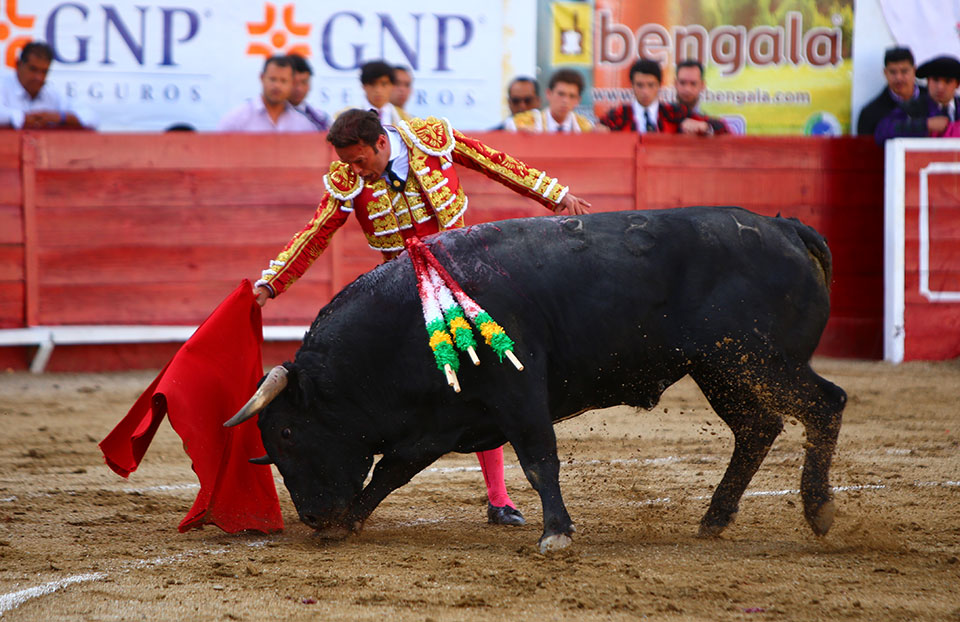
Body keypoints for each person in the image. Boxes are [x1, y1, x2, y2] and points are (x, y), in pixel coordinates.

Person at [252, 109, 591, 526]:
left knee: (482, 374)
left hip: (463, 281)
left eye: (361, 161)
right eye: (348, 164)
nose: (357, 171)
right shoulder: (348, 180)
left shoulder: (431, 139)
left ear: (380, 143)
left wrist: (554, 195)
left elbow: (495, 163)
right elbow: (315, 233)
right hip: (403, 300)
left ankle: (499, 499)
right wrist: (271, 283)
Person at [0, 41, 96, 130]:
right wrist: (23, 118)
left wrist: (61, 117)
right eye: (33, 69)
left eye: (44, 72)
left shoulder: (52, 93)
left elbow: (91, 117)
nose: (39, 77)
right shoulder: (3, 85)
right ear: (18, 65)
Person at [218, 55, 315, 132]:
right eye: (272, 79)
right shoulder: (237, 119)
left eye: (283, 81)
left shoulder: (303, 125)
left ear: (292, 83)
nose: (277, 85)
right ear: (262, 77)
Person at [875, 55, 960, 142]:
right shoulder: (913, 107)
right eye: (935, 80)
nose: (940, 87)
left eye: (947, 81)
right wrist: (926, 125)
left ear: (957, 84)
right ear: (928, 81)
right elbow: (882, 131)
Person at [598, 58, 689, 134]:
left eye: (651, 85)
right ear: (632, 85)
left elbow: (700, 122)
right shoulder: (617, 115)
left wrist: (701, 125)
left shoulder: (675, 113)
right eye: (640, 85)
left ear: (659, 85)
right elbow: (598, 129)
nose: (645, 91)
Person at [857, 47, 923, 138]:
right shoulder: (870, 114)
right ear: (885, 73)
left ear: (914, 70)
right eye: (893, 72)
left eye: (904, 71)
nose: (898, 78)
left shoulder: (933, 101)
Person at [504, 68, 596, 133]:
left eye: (571, 96)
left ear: (578, 100)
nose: (565, 101)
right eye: (561, 94)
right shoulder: (521, 124)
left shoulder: (587, 128)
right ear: (548, 94)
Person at [673, 60, 729, 135]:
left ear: (702, 85)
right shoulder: (662, 116)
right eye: (682, 83)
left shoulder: (711, 122)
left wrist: (707, 129)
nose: (687, 89)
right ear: (675, 84)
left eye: (693, 84)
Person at [349, 60, 408, 126]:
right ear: (364, 86)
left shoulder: (406, 119)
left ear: (392, 86)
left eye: (384, 84)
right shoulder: (347, 119)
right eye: (372, 84)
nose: (378, 90)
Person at [288, 54, 330, 131]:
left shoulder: (320, 118)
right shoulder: (273, 116)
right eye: (294, 83)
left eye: (304, 82)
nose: (299, 89)